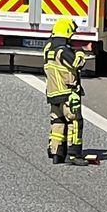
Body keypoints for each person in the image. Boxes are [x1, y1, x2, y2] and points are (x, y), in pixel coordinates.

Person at [43, 18, 85, 163]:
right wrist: (80, 53)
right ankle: (73, 154)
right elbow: (77, 63)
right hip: (67, 93)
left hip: (53, 93)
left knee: (58, 122)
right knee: (75, 122)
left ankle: (56, 152)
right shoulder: (63, 50)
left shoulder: (48, 49)